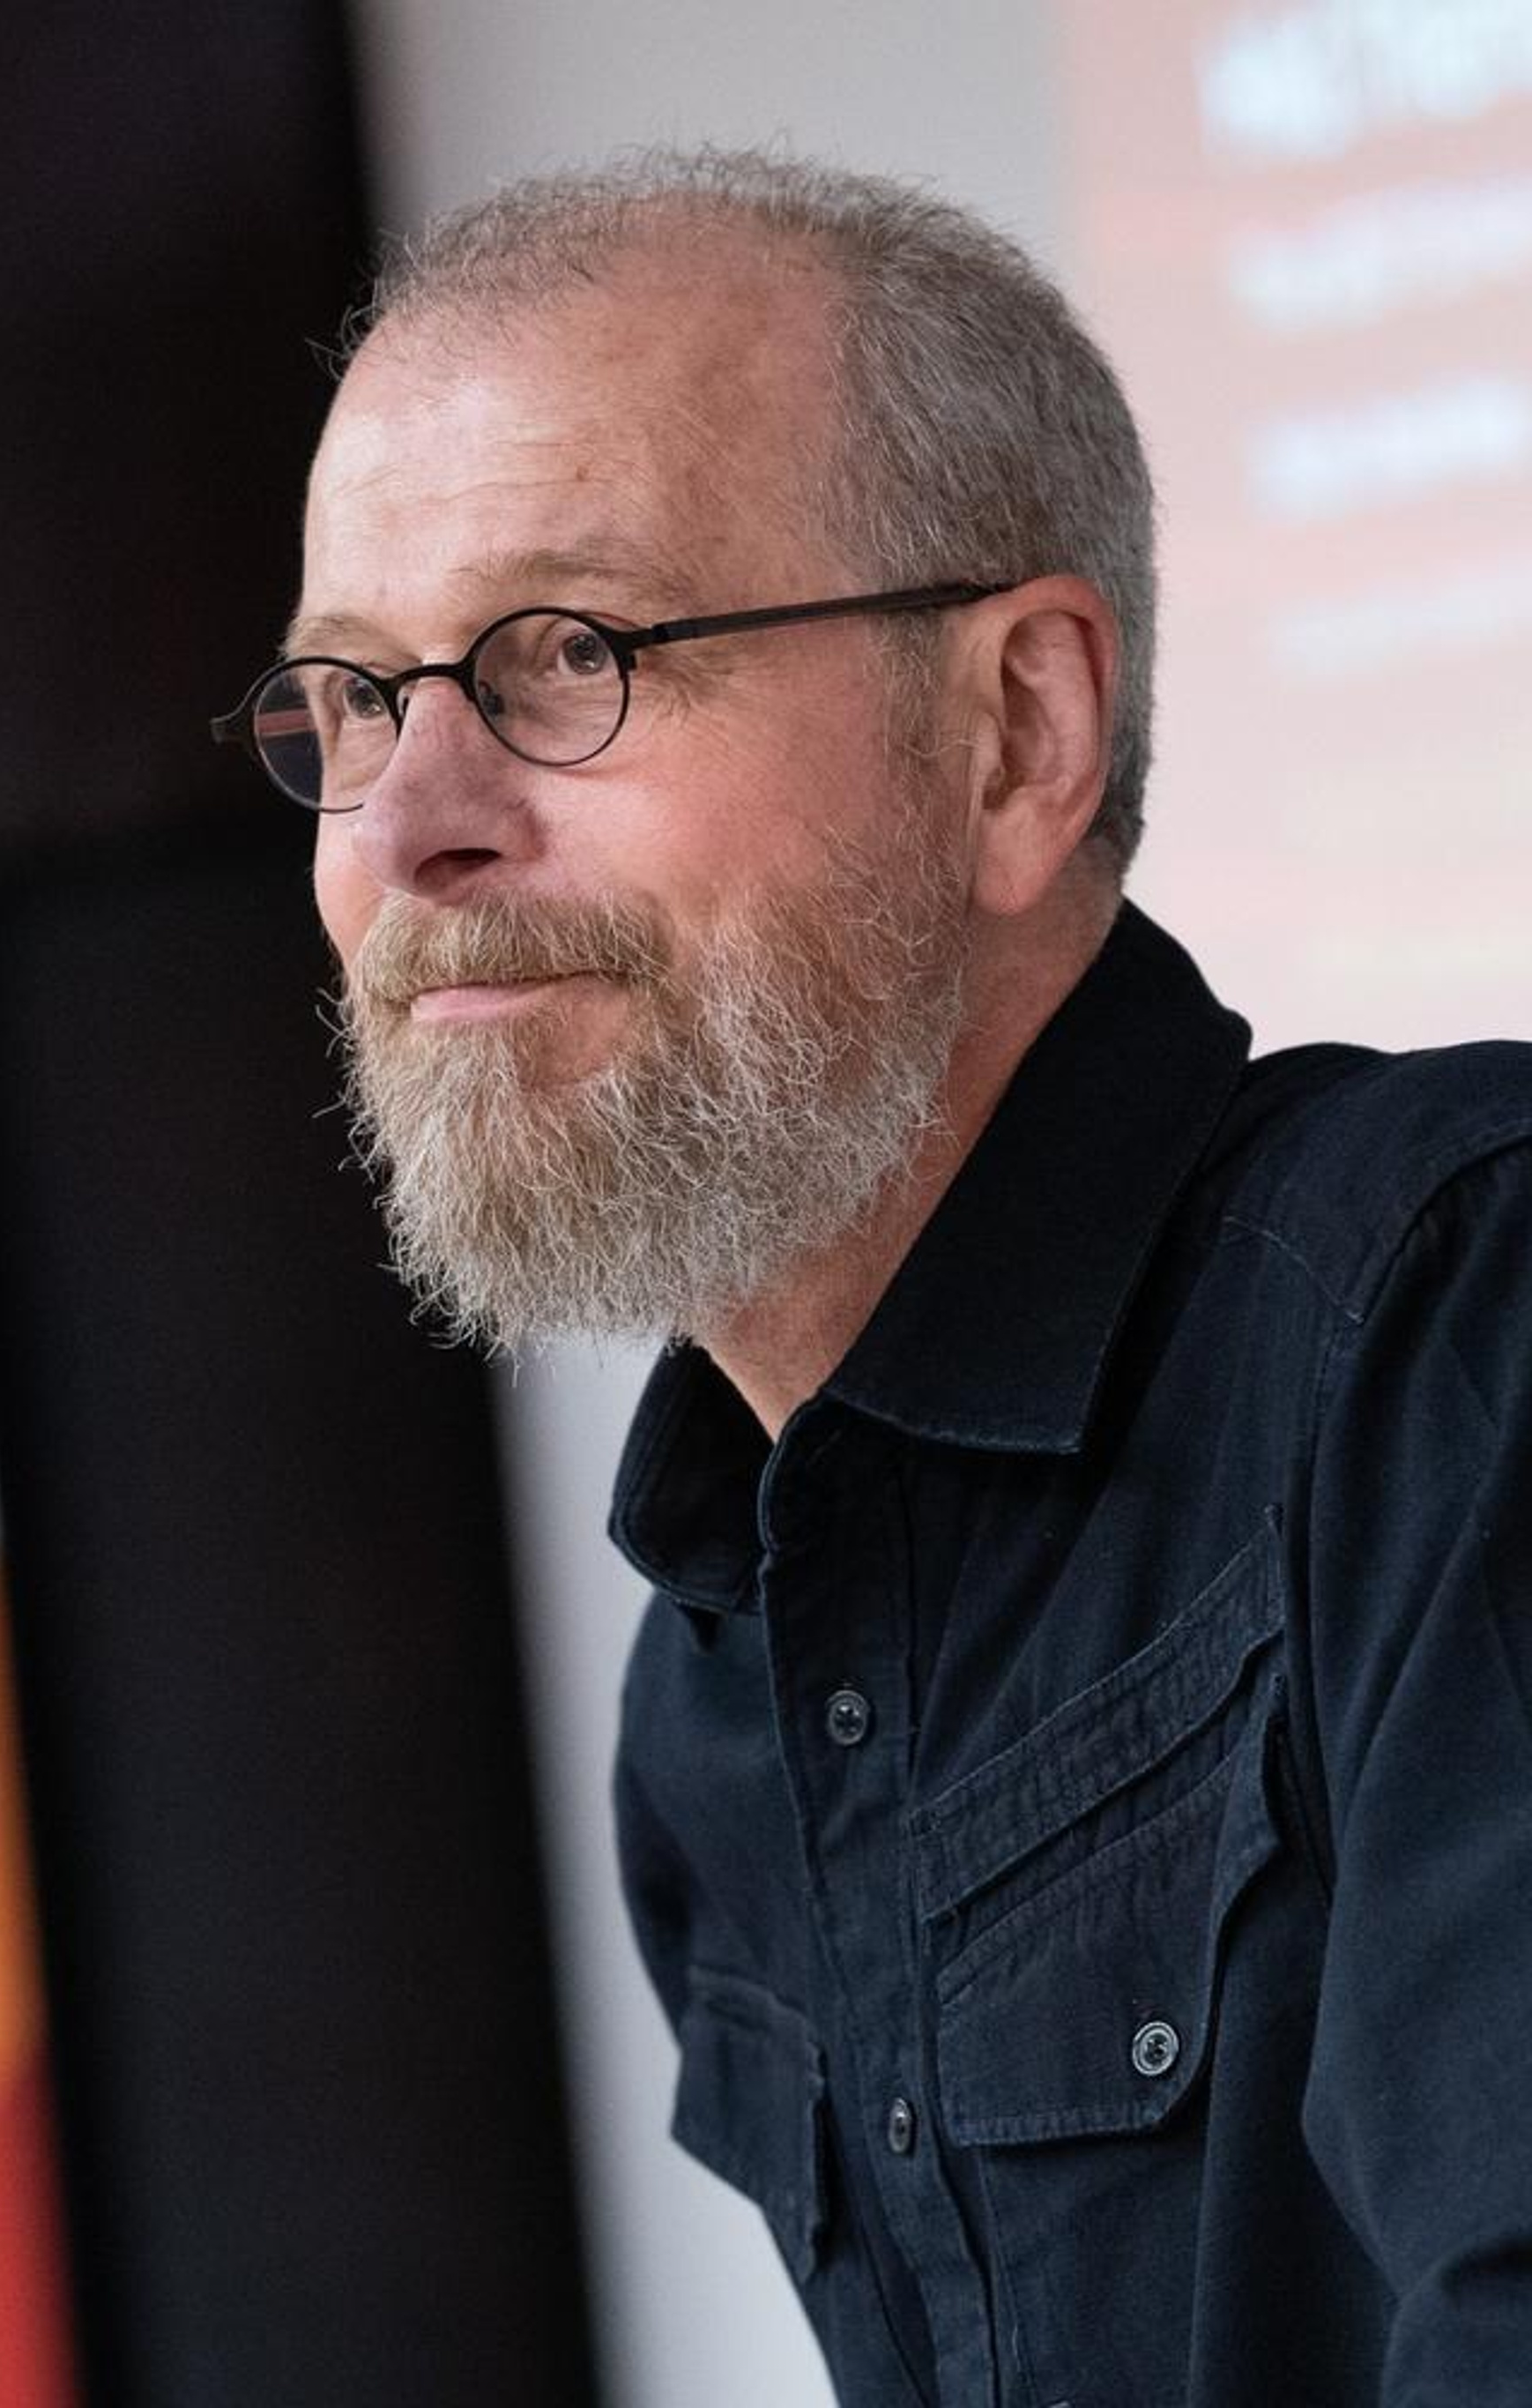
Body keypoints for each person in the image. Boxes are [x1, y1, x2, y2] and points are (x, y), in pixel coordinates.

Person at [213, 151, 1532, 2408]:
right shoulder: (707, 1701)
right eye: (347, 698)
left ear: (1016, 732)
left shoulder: (1451, 1320)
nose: (408, 819)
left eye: (567, 654)